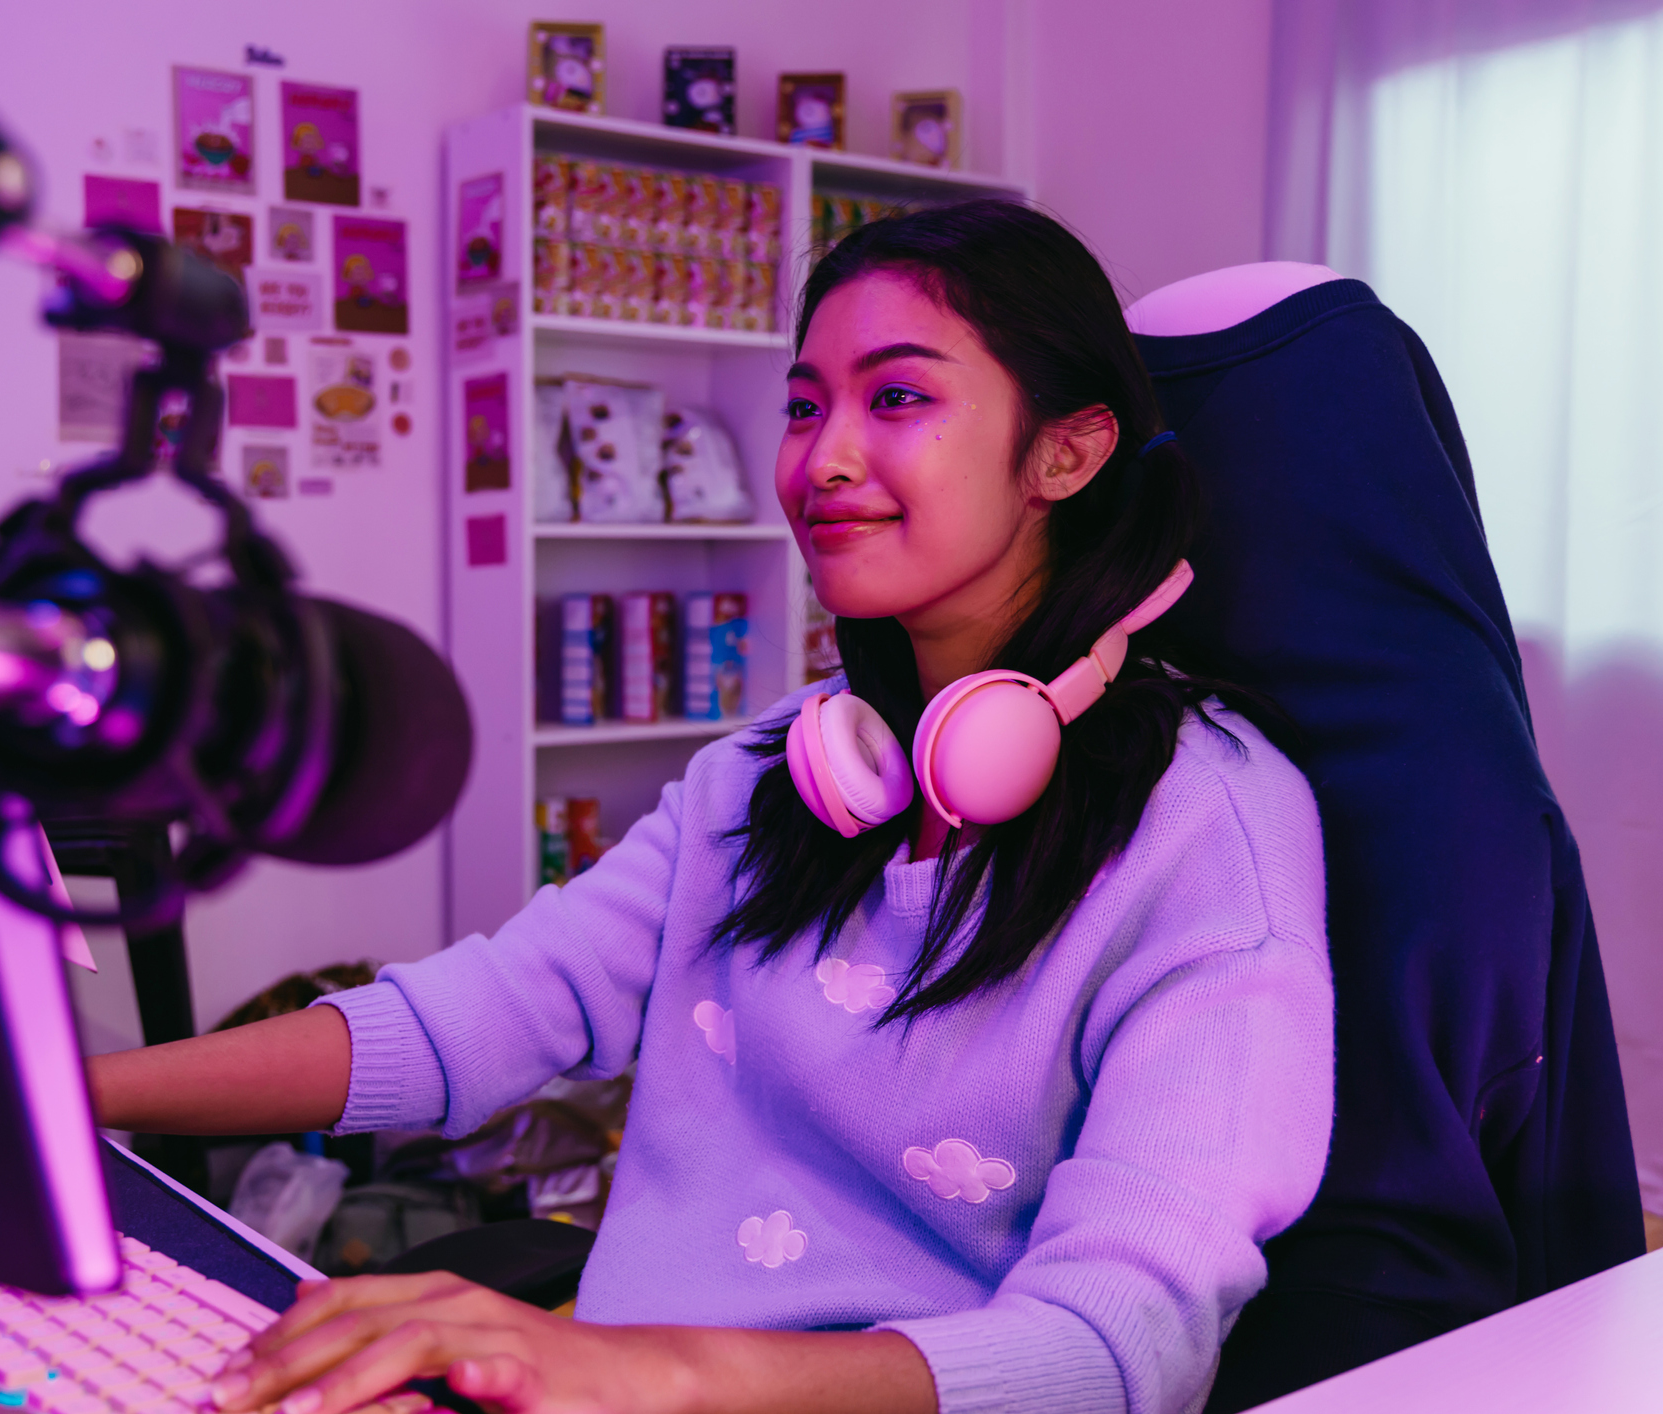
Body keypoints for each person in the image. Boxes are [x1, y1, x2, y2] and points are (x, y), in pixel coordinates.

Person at [87, 201, 1335, 1414]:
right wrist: (70, 1090)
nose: (823, 459)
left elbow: (1120, 1352)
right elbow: (478, 1019)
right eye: (804, 404)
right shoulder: (772, 773)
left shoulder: (1211, 831)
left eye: (896, 396)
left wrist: (650, 1371)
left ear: (1066, 450)